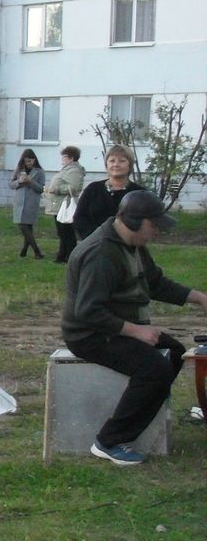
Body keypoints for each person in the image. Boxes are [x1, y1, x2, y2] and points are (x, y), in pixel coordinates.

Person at [62, 190, 207, 466]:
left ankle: (142, 417)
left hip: (114, 327)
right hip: (89, 335)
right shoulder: (101, 254)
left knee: (174, 352)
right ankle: (109, 441)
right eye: (154, 226)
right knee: (154, 369)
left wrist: (199, 298)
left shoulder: (132, 244)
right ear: (134, 221)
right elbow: (88, 312)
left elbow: (154, 283)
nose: (156, 233)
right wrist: (136, 331)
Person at [74, 144, 142, 242]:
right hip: (94, 244)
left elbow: (143, 223)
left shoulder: (138, 193)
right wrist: (98, 237)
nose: (116, 164)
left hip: (127, 245)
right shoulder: (93, 189)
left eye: (122, 161)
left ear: (130, 165)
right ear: (106, 165)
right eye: (112, 161)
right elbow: (79, 218)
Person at [43, 146, 85, 263]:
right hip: (59, 205)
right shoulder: (67, 169)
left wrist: (56, 189)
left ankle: (69, 256)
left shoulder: (74, 171)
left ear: (71, 158)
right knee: (62, 232)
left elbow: (73, 187)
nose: (62, 159)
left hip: (64, 205)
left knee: (66, 232)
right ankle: (62, 256)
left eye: (64, 157)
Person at [9, 149, 46, 259]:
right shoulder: (19, 170)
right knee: (22, 225)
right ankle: (31, 251)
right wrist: (19, 181)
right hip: (19, 202)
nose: (28, 164)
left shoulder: (39, 172)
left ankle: (34, 251)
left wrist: (30, 181)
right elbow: (11, 184)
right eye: (26, 161)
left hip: (31, 202)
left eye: (30, 161)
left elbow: (40, 189)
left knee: (27, 226)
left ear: (34, 160)